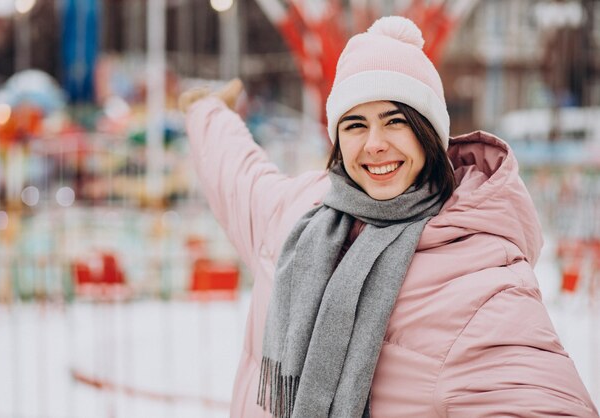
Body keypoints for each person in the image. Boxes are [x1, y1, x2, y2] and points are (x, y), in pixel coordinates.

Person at [180, 15, 599, 418]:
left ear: (429, 132)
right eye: (356, 125)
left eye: (395, 121)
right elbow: (238, 175)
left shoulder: (480, 277)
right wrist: (208, 112)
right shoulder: (303, 214)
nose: (374, 144)